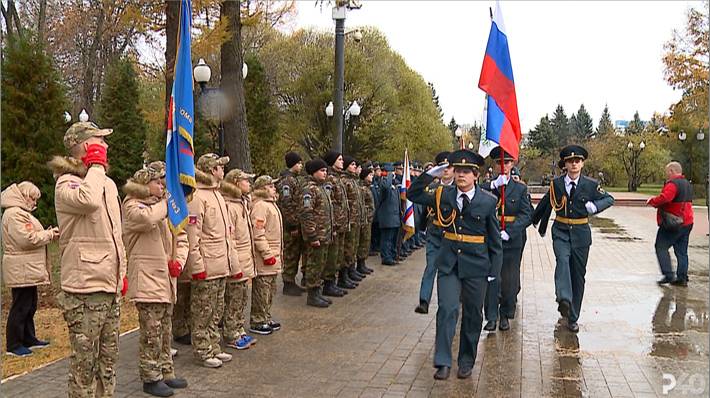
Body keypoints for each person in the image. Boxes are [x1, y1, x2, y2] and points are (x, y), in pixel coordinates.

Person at [407, 149, 503, 380]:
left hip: (477, 266)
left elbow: (495, 242)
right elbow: (413, 193)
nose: (461, 175)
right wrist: (432, 173)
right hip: (449, 262)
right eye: (458, 170)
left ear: (475, 175)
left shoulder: (488, 202)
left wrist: (494, 273)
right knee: (447, 309)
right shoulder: (443, 195)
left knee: (472, 315)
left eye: (466, 171)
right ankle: (442, 361)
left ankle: (466, 360)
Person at [49, 121, 127, 396]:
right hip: (84, 290)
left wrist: (121, 274)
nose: (105, 146)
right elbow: (88, 201)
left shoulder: (105, 183)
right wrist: (95, 167)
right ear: (84, 146)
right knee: (84, 365)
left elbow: (116, 234)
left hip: (108, 286)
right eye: (99, 141)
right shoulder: (67, 183)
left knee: (108, 362)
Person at [532, 145, 615, 333]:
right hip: (560, 230)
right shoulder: (557, 184)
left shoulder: (591, 185)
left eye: (577, 161)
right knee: (562, 261)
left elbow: (609, 199)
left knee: (578, 275)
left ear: (582, 163)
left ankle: (573, 316)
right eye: (570, 161)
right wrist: (532, 220)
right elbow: (546, 203)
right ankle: (564, 299)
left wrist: (596, 206)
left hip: (581, 233)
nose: (574, 164)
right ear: (565, 165)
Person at [122, 167, 189, 396]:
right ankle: (150, 377)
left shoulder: (162, 208)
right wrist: (169, 203)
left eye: (164, 183)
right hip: (147, 279)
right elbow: (147, 218)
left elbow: (181, 236)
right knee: (151, 332)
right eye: (159, 183)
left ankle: (166, 371)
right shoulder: (133, 205)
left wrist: (178, 261)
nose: (163, 187)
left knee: (164, 330)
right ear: (145, 183)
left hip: (165, 278)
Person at [186, 153, 239, 368]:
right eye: (219, 166)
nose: (222, 169)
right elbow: (193, 233)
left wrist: (232, 264)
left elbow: (227, 235)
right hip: (207, 265)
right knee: (202, 311)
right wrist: (196, 265)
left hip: (221, 264)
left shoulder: (216, 195)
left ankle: (214, 345)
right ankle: (202, 350)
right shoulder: (198, 197)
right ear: (210, 170)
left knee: (216, 310)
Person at [2, 182, 58, 357]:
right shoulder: (14, 215)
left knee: (30, 304)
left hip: (26, 267)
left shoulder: (19, 213)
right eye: (33, 198)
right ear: (24, 196)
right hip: (21, 267)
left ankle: (28, 338)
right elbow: (27, 239)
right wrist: (49, 235)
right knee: (20, 306)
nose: (35, 202)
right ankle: (14, 344)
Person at [481, 147, 533, 332]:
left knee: (509, 281)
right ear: (494, 165)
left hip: (511, 239)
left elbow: (527, 215)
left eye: (507, 162)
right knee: (491, 278)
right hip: (490, 238)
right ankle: (491, 316)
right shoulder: (486, 187)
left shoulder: (520, 189)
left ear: (513, 164)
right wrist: (493, 187)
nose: (503, 166)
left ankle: (505, 314)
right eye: (499, 162)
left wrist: (510, 231)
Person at [220, 169, 259, 350]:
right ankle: (231, 333)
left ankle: (238, 328)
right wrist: (235, 264)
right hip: (237, 260)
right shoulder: (230, 206)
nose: (249, 184)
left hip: (245, 258)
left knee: (242, 297)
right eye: (246, 181)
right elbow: (230, 238)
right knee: (233, 299)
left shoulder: (242, 203)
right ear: (236, 183)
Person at [415, 151, 453, 315]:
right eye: (441, 166)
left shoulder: (458, 189)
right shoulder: (432, 188)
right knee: (431, 266)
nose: (445, 170)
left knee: (451, 270)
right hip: (435, 233)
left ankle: (452, 299)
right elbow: (416, 196)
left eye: (448, 166)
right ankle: (424, 300)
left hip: (453, 235)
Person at [646, 161, 694, 287]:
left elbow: (665, 198)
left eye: (667, 171)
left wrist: (652, 201)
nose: (666, 174)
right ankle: (682, 278)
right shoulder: (687, 184)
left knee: (660, 247)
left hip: (673, 223)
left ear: (672, 171)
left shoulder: (673, 184)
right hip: (687, 222)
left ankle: (668, 275)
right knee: (682, 252)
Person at [250, 175, 284, 334]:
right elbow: (258, 232)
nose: (274, 188)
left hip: (274, 255)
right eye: (270, 186)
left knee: (270, 290)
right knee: (262, 290)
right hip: (266, 257)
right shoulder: (261, 206)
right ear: (263, 188)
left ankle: (265, 316)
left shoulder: (271, 204)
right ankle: (257, 320)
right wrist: (266, 253)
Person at [300, 159, 336, 306]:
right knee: (314, 265)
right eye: (322, 171)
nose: (325, 173)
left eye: (326, 171)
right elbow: (306, 213)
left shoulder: (321, 188)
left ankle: (318, 292)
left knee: (321, 264)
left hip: (324, 234)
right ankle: (312, 294)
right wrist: (312, 235)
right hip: (316, 235)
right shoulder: (310, 189)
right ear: (313, 172)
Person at [323, 150, 357, 290]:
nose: (342, 162)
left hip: (342, 222)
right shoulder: (330, 179)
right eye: (339, 159)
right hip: (335, 223)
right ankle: (329, 283)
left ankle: (340, 279)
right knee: (332, 255)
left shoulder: (338, 178)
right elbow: (330, 202)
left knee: (341, 252)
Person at [277, 152, 307, 296]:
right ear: (293, 164)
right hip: (291, 226)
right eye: (299, 163)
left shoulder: (294, 180)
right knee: (291, 253)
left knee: (295, 253)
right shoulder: (287, 182)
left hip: (297, 222)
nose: (301, 166)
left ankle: (291, 281)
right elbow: (287, 205)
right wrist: (293, 226)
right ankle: (288, 283)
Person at [342, 156, 368, 281]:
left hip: (356, 219)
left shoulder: (354, 181)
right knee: (347, 248)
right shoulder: (345, 181)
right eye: (352, 164)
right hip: (349, 220)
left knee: (353, 246)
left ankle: (351, 270)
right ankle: (344, 274)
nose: (355, 167)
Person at [377, 162, 402, 265]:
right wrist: (389, 175)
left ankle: (392, 255)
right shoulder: (383, 183)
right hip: (387, 217)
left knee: (393, 239)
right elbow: (386, 187)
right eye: (391, 172)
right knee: (387, 238)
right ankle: (386, 257)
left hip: (395, 217)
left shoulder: (394, 184)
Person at [357, 164, 376, 276]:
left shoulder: (368, 187)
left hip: (368, 219)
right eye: (369, 175)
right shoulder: (363, 189)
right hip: (364, 219)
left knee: (365, 242)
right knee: (362, 242)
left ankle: (362, 263)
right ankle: (359, 264)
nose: (372, 176)